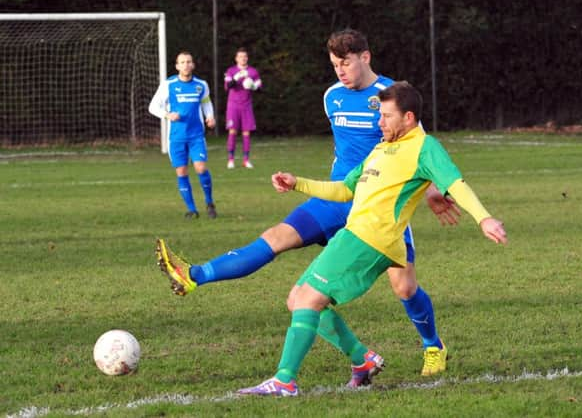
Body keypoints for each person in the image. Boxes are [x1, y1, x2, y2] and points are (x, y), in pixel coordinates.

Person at [155, 29, 459, 384]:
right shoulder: (332, 97)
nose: (340, 71)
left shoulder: (392, 97)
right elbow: (344, 151)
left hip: (379, 209)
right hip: (335, 199)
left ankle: (432, 345)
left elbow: (420, 150)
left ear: (366, 57)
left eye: (346, 63)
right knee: (275, 240)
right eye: (334, 65)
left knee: (404, 288)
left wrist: (434, 190)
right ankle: (194, 276)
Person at [236, 81, 508, 396]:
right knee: (297, 299)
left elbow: (455, 183)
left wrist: (483, 216)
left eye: (387, 116)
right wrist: (298, 183)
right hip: (352, 234)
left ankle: (285, 381)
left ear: (408, 118)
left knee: (309, 299)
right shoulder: (380, 148)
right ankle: (362, 361)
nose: (379, 122)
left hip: (372, 240)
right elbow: (344, 189)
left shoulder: (424, 147)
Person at [149, 51, 217, 219]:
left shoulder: (201, 85)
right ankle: (192, 209)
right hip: (176, 137)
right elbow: (153, 107)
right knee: (182, 172)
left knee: (201, 167)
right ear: (177, 66)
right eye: (182, 62)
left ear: (192, 65)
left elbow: (206, 103)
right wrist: (167, 115)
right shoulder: (169, 84)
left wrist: (210, 116)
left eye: (188, 61)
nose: (186, 65)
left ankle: (209, 202)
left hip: (196, 136)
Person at [224, 47, 262, 169]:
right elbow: (228, 86)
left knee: (246, 132)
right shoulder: (231, 71)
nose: (243, 59)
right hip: (233, 105)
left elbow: (259, 87)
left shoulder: (253, 71)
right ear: (236, 58)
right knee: (233, 131)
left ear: (247, 58)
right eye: (240, 57)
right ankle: (231, 160)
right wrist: (237, 77)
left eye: (245, 56)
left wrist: (253, 86)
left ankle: (246, 160)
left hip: (246, 105)